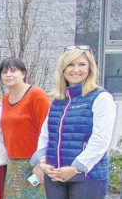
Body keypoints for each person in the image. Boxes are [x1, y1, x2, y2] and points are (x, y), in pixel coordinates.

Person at [30, 47, 116, 199]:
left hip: (88, 178)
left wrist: (75, 168)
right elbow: (46, 135)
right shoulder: (58, 101)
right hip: (55, 176)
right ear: (62, 69)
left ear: (90, 68)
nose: (76, 69)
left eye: (81, 64)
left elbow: (101, 140)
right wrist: (42, 162)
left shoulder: (101, 98)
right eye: (70, 64)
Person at [0, 57, 49, 199]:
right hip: (13, 162)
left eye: (13, 71)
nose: (8, 74)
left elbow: (48, 131)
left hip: (34, 162)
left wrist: (41, 163)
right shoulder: (6, 99)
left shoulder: (36, 95)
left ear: (23, 73)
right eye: (4, 72)